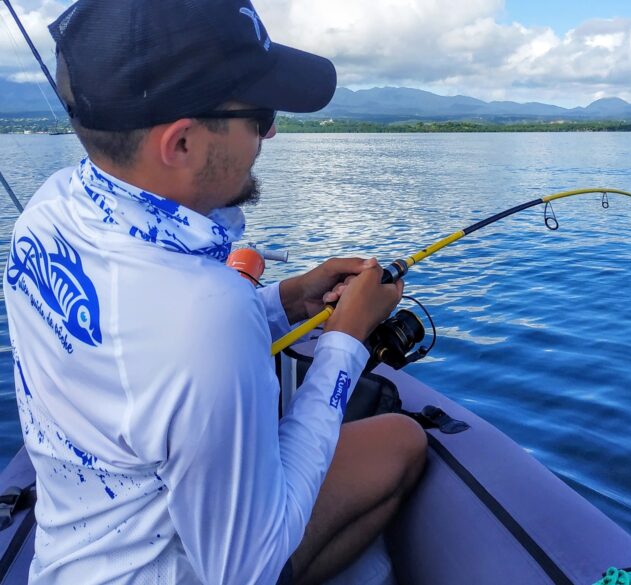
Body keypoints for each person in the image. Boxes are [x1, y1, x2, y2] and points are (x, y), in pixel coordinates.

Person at [2, 1, 427, 584]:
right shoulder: (204, 316)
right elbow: (246, 568)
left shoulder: (47, 215)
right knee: (400, 442)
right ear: (180, 143)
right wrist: (344, 344)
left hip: (67, 561)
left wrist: (281, 301)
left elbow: (132, 349)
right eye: (261, 114)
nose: (271, 132)